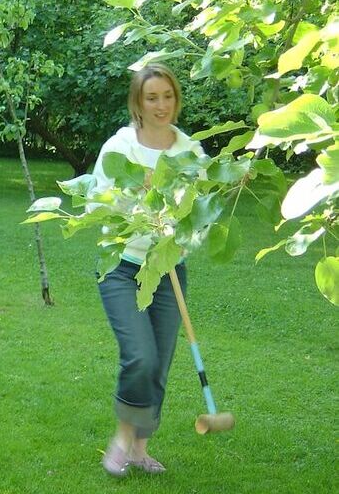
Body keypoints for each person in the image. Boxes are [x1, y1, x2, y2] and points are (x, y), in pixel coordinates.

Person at [90, 64, 205, 476]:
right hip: (122, 268)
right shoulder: (121, 147)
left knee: (159, 363)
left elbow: (202, 214)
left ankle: (140, 449)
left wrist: (183, 229)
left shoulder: (189, 151)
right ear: (137, 102)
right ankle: (122, 438)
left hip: (169, 270)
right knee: (139, 356)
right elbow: (96, 205)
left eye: (167, 96)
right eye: (151, 98)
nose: (161, 105)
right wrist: (134, 199)